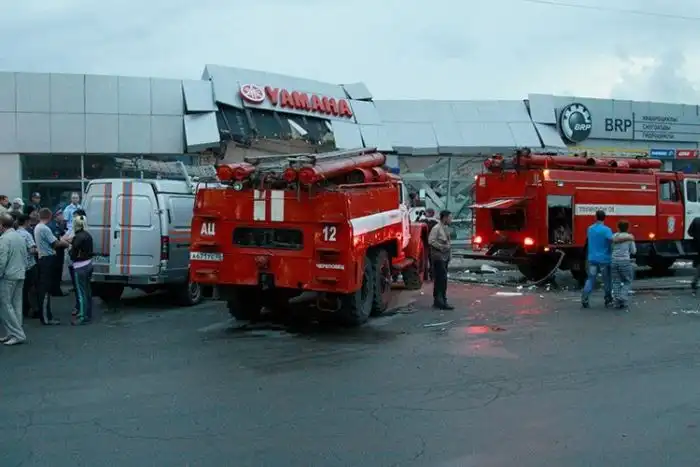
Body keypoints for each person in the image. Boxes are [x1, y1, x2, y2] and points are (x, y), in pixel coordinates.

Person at [581, 210, 634, 308]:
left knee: (590, 279)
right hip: (605, 259)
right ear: (604, 218)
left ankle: (585, 298)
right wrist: (629, 238)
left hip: (592, 258)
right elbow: (614, 240)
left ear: (595, 217)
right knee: (607, 280)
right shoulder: (607, 230)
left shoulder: (590, 229)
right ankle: (608, 299)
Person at [34, 208, 70, 325]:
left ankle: (47, 316)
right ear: (49, 216)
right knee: (45, 290)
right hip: (47, 259)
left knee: (45, 288)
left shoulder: (38, 227)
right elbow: (55, 243)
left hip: (43, 258)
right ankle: (46, 318)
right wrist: (66, 243)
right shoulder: (44, 228)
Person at [0, 213, 28, 345]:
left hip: (8, 275)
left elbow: (1, 260)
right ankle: (14, 332)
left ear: (1, 225)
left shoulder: (4, 239)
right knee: (16, 304)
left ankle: (17, 334)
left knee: (5, 305)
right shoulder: (19, 236)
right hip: (20, 273)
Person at [66, 214, 94, 325]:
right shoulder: (88, 235)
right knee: (87, 291)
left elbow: (73, 255)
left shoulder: (77, 237)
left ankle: (82, 316)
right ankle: (87, 313)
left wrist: (70, 249)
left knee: (81, 293)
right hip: (89, 264)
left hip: (79, 266)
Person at [428, 210, 454, 310]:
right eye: (450, 217)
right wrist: (441, 247)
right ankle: (441, 302)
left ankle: (439, 301)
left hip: (444, 257)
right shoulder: (437, 228)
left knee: (442, 279)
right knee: (441, 280)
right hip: (438, 258)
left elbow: (448, 244)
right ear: (445, 218)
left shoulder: (445, 228)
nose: (451, 220)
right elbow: (431, 241)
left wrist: (449, 255)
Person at [611, 220, 636, 309]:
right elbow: (633, 251)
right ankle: (622, 296)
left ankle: (617, 302)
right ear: (628, 228)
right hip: (624, 261)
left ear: (618, 228)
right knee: (627, 280)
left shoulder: (614, 236)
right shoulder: (630, 238)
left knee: (616, 282)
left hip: (614, 261)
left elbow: (611, 247)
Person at [16, 215, 38, 319]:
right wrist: (38, 250)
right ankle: (34, 309)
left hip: (19, 265)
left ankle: (23, 309)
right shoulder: (27, 234)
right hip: (29, 265)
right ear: (26, 222)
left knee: (22, 289)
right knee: (32, 289)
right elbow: (32, 250)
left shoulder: (14, 234)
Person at [48, 209, 68, 296]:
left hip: (59, 253)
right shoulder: (53, 226)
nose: (63, 216)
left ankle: (56, 289)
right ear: (56, 216)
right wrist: (65, 243)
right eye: (61, 215)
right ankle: (55, 291)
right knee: (56, 272)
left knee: (58, 271)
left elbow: (63, 235)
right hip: (56, 253)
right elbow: (56, 241)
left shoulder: (59, 225)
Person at [687, 216, 700, 293]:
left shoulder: (696, 220)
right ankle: (694, 281)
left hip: (697, 245)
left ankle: (695, 281)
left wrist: (696, 237)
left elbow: (689, 232)